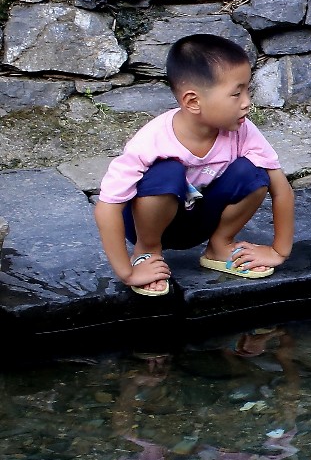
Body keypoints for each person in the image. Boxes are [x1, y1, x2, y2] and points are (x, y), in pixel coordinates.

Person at [94, 34, 294, 298]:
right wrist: (125, 273)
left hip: (200, 219)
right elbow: (107, 207)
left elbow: (281, 190)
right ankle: (147, 252)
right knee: (168, 171)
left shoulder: (244, 131)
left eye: (248, 90)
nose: (247, 102)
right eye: (236, 93)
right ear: (193, 102)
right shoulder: (151, 141)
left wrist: (279, 251)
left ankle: (219, 246)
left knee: (254, 172)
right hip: (149, 222)